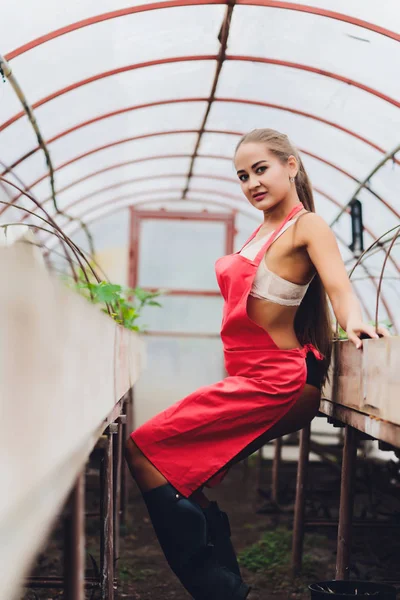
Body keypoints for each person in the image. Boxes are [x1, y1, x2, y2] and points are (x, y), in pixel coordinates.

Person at [124, 128, 389, 599]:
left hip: (278, 379)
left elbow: (339, 286)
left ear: (292, 165)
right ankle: (228, 589)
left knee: (144, 448)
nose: (251, 183)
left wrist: (355, 324)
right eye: (242, 176)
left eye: (260, 169)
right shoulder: (262, 229)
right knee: (185, 474)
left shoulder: (306, 225)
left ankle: (221, 592)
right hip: (254, 377)